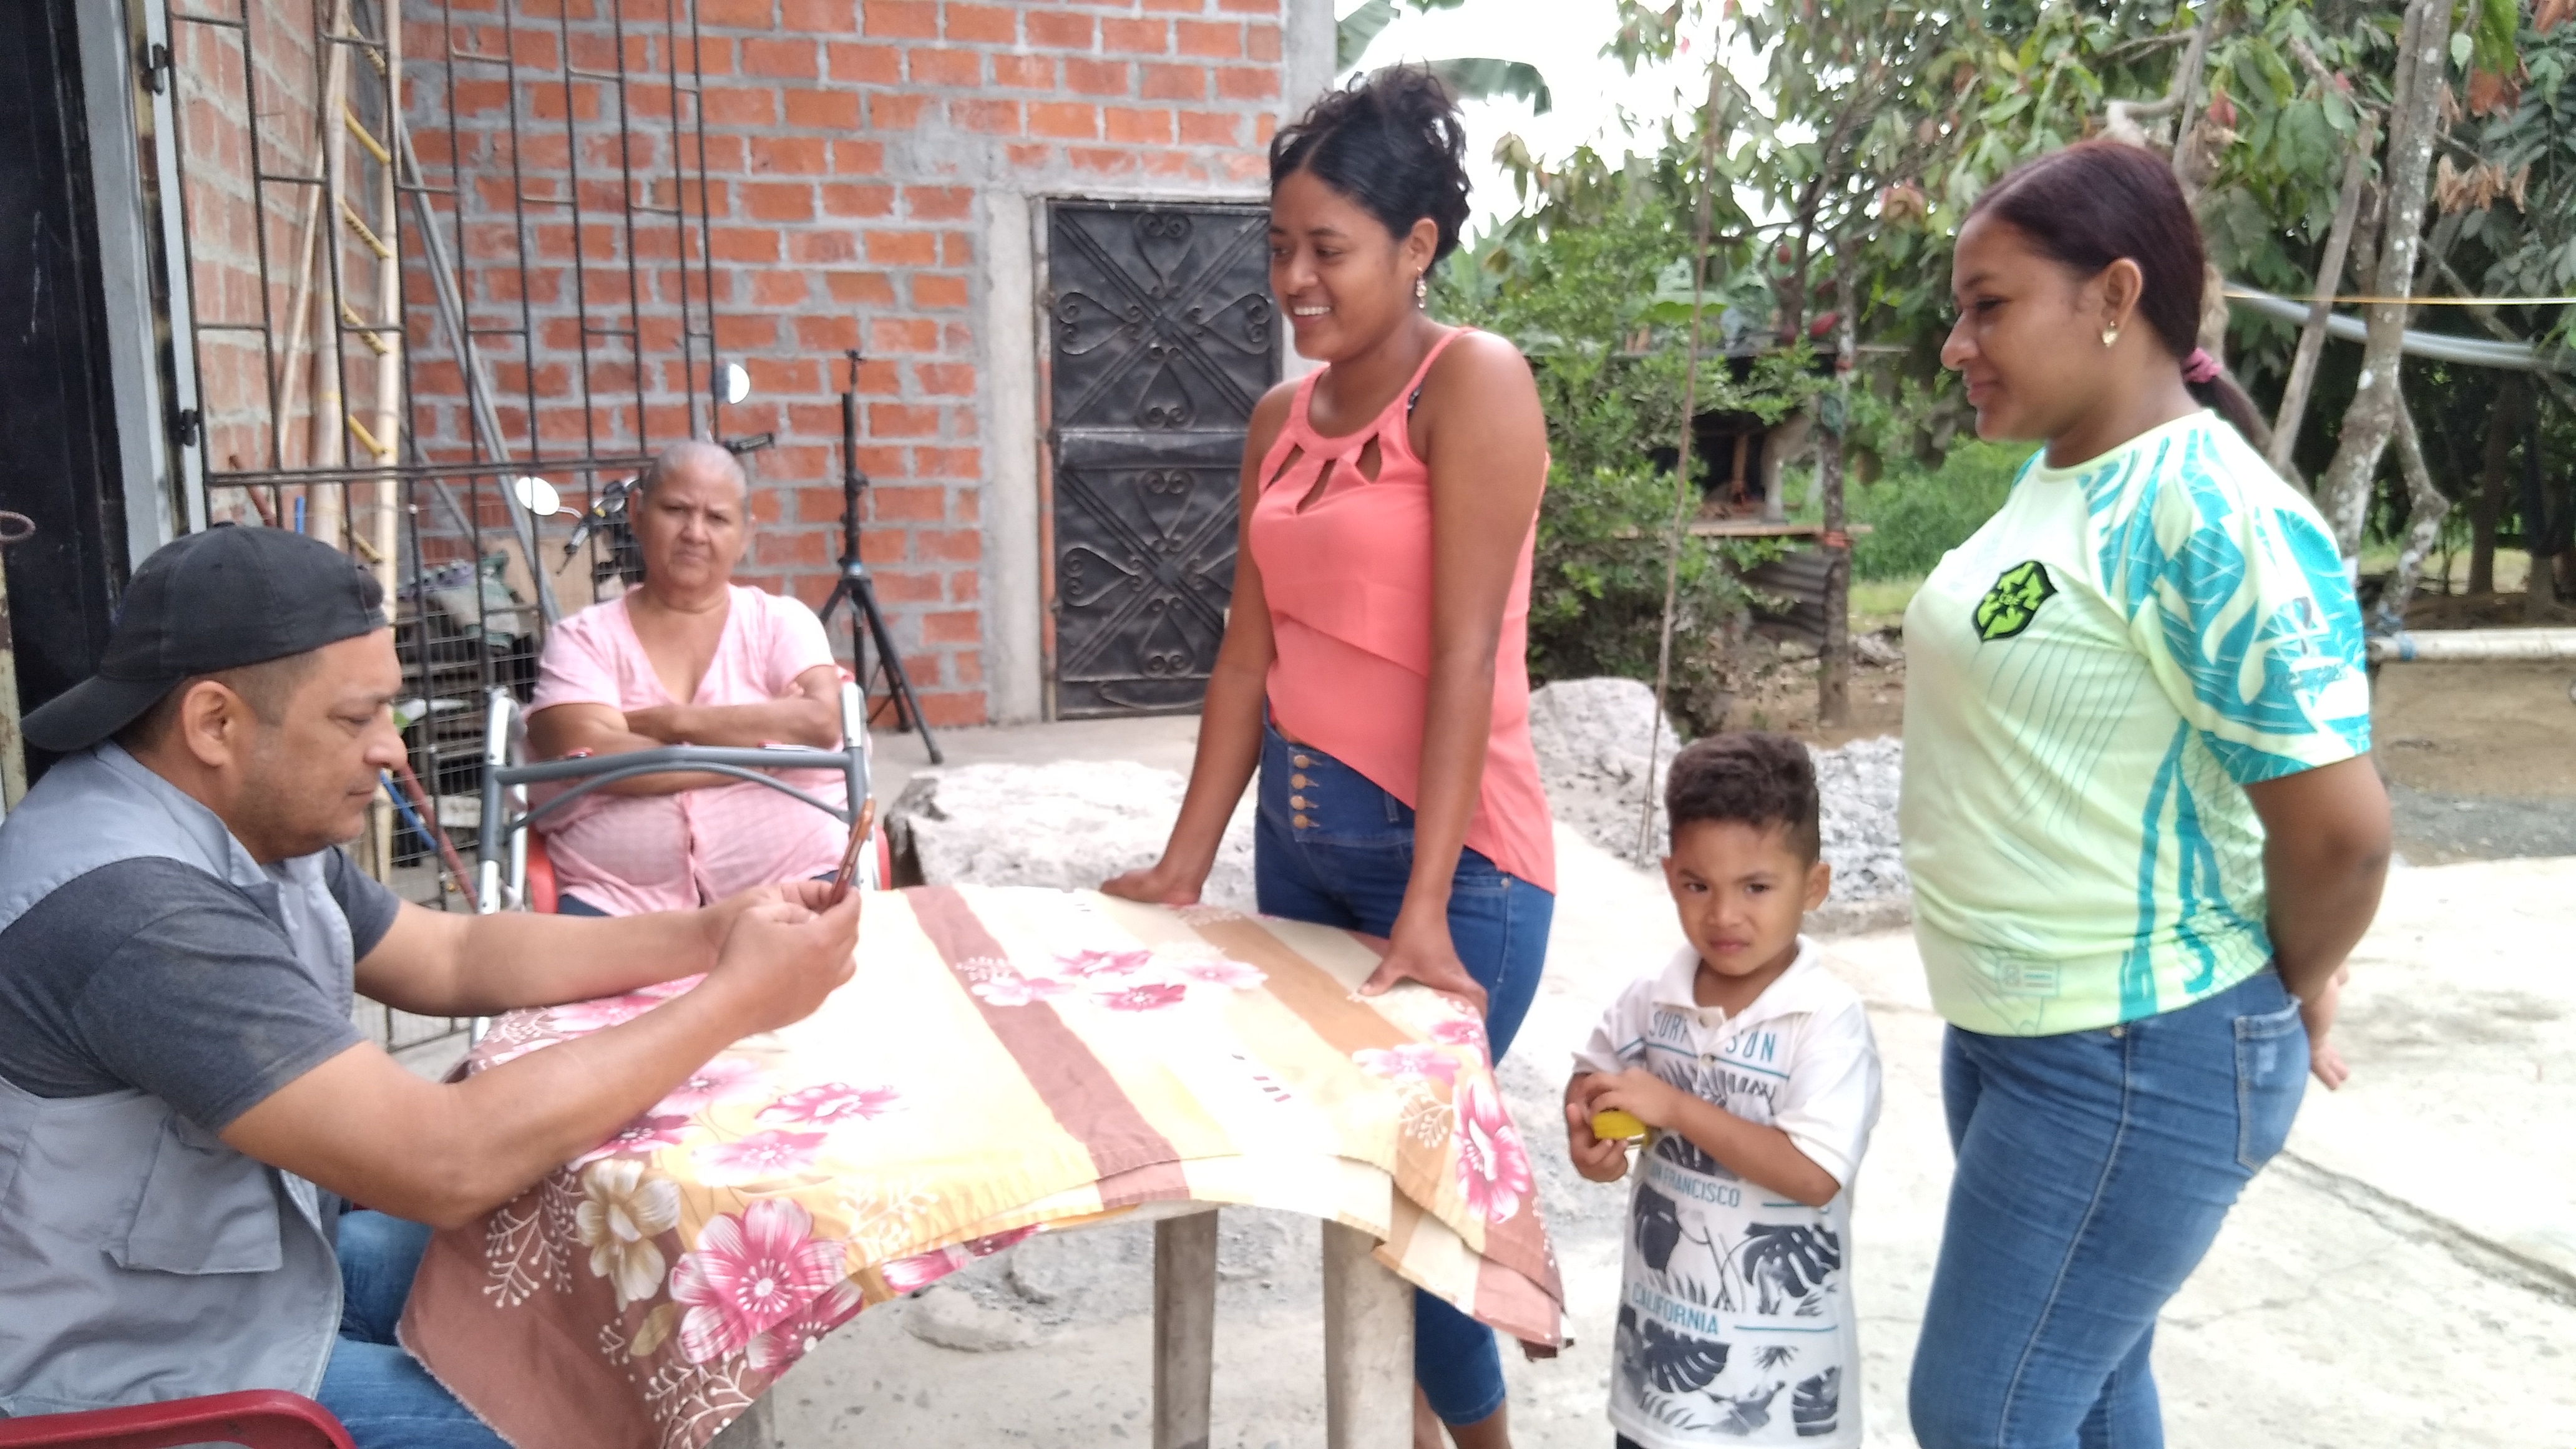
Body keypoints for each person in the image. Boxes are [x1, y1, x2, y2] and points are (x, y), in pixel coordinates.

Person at [0, 525, 861, 1445]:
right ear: (215, 722)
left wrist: (707, 933)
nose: (393, 751)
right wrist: (734, 1000)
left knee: (598, 1274)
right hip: (133, 1372)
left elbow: (449, 955)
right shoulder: (136, 909)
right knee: (601, 1419)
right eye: (356, 718)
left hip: (245, 1280)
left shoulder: (231, 818)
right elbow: (445, 1162)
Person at [1900, 140, 2391, 1448]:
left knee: (1982, 1413)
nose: (1956, 344)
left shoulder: (2212, 515)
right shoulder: (2068, 476)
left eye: (1988, 305)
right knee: (2089, 1390)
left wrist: (2284, 984)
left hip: (2128, 1050)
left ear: (2113, 295)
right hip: (2023, 1036)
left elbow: (2341, 837)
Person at [1101, 65, 1555, 1449]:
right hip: (1298, 857)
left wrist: (1423, 907)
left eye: (1328, 249)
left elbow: (1466, 654)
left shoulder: (1470, 383)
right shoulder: (1277, 423)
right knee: (1358, 1205)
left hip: (1457, 872)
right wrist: (1183, 864)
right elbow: (1247, 656)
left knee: (1413, 1211)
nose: (1294, 280)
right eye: (1279, 247)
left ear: (1416, 247)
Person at [1565, 734, 1883, 1449]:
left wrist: (1674, 1108)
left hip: (1779, 1409)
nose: (1724, 915)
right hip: (1657, 1387)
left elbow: (1814, 1174)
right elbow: (1592, 1077)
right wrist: (1589, 1130)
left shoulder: (1825, 1019)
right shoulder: (1653, 996)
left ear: (1814, 886)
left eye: (1756, 888)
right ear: (1670, 876)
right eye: (1698, 886)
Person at [525, 439, 850, 915]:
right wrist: (759, 756)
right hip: (616, 899)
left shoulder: (781, 623)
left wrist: (671, 724)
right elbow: (587, 757)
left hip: (793, 878)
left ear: (746, 534)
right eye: (676, 510)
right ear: (637, 513)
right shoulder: (582, 638)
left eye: (717, 518)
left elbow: (822, 721)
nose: (695, 533)